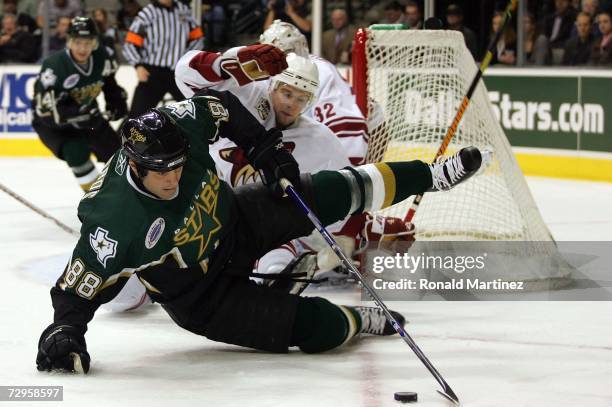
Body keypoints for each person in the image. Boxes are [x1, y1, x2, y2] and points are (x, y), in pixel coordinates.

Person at [35, 88, 486, 373]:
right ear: (134, 164)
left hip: (236, 219)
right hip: (201, 298)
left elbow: (224, 106)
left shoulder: (178, 125)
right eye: (160, 172)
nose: (172, 178)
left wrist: (264, 150)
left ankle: (432, 174)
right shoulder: (113, 221)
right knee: (315, 328)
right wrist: (64, 333)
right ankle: (360, 321)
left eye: (177, 165)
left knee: (331, 189)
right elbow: (78, 289)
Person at [31, 17, 128, 192]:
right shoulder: (54, 66)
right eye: (77, 42)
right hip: (53, 125)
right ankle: (96, 199)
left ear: (95, 42)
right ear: (69, 41)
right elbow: (45, 111)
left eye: (88, 42)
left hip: (88, 116)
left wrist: (115, 101)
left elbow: (109, 83)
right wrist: (76, 114)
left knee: (117, 155)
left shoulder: (102, 58)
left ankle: (125, 195)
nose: (82, 48)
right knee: (77, 152)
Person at [259, 20, 368, 166]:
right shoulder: (263, 74)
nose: (277, 63)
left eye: (283, 54)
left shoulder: (321, 72)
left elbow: (345, 129)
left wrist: (348, 172)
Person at [122, 0, 204, 118]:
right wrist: (138, 65)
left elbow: (198, 38)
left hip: (178, 72)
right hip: (152, 73)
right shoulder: (147, 13)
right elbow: (130, 43)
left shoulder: (184, 11)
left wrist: (187, 59)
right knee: (137, 116)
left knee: (196, 111)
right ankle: (126, 136)